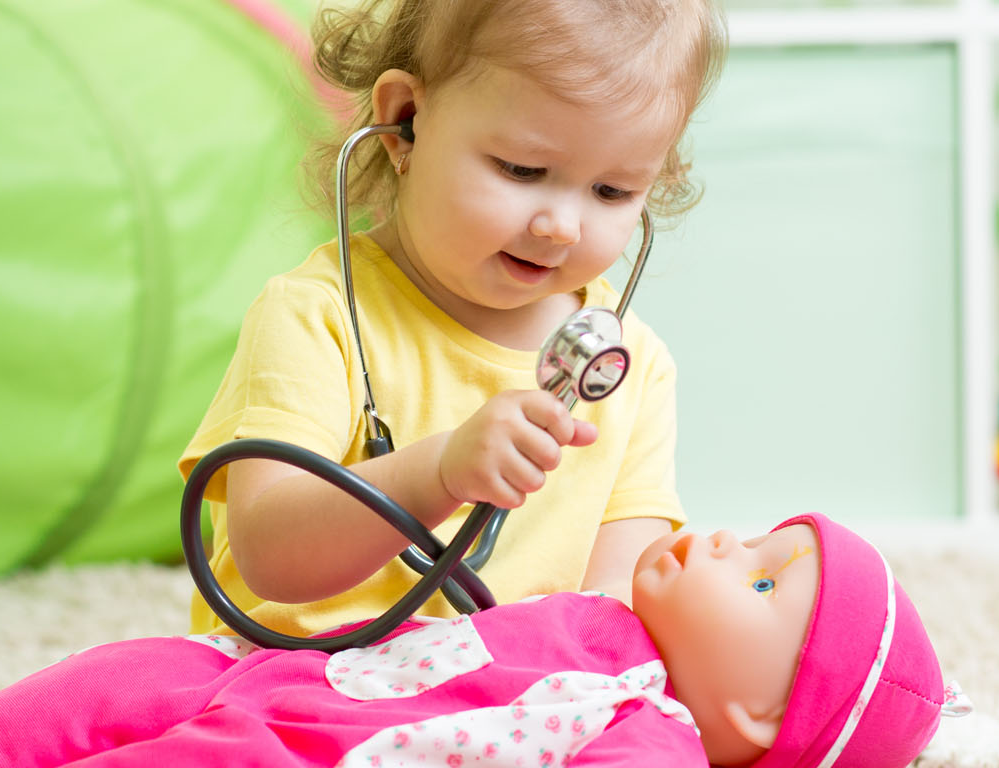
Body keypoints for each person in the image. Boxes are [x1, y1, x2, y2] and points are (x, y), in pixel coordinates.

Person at [176, 0, 728, 639]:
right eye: (522, 170)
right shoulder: (315, 316)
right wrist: (438, 473)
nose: (562, 226)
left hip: (513, 686)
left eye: (613, 191)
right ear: (406, 121)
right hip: (302, 677)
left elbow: (618, 600)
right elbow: (270, 558)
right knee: (116, 687)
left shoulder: (627, 363)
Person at [0, 513, 969, 767]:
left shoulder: (655, 735)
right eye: (761, 539)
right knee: (147, 670)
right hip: (301, 671)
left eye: (761, 580)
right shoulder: (611, 614)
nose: (728, 543)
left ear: (759, 714)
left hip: (323, 748)